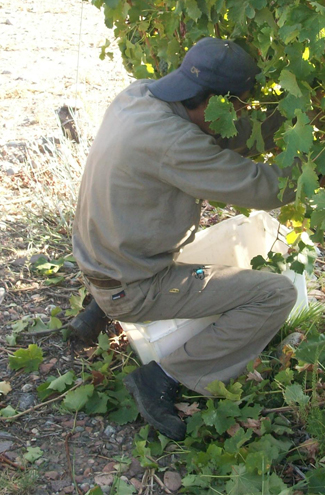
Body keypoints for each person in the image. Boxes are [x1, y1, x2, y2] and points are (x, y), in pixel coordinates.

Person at [71, 37, 298, 440]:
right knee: (275, 294)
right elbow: (261, 187)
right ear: (214, 102)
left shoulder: (139, 96)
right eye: (238, 107)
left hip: (98, 258)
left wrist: (290, 120)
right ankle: (163, 377)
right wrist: (321, 164)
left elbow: (222, 135)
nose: (239, 115)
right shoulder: (176, 143)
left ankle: (98, 309)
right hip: (133, 286)